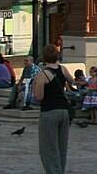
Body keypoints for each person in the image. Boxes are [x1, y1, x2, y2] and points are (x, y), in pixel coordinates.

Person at [33, 43, 73, 174]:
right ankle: (60, 170)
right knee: (62, 147)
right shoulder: (62, 69)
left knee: (49, 148)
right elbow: (71, 80)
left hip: (49, 112)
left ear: (44, 58)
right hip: (64, 111)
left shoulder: (42, 75)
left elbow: (39, 96)